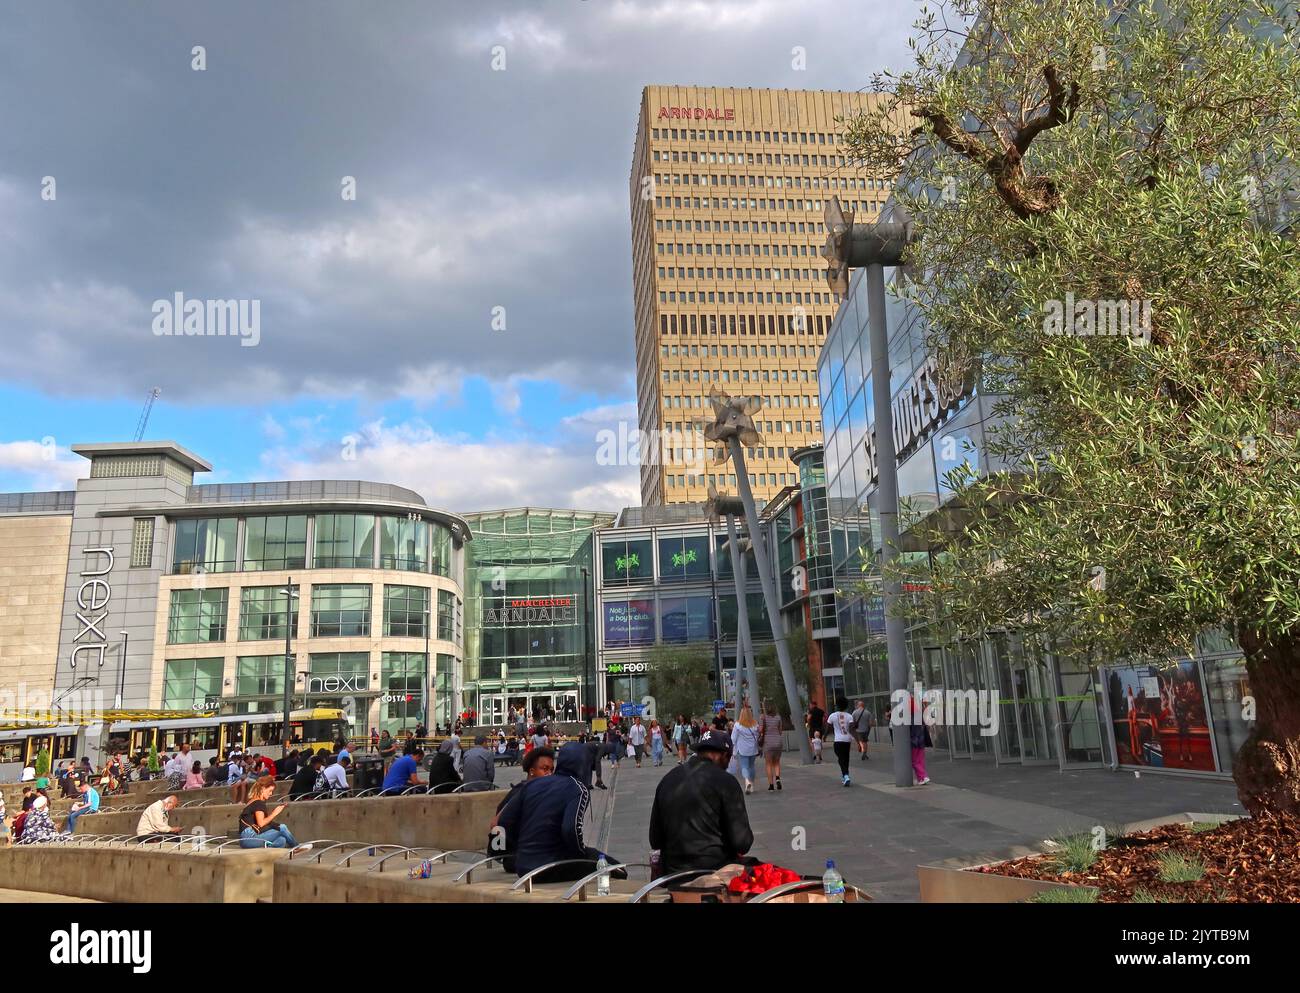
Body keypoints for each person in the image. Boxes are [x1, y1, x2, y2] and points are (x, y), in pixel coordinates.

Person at [495, 744, 620, 883]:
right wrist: (579, 854)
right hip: (550, 866)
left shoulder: (531, 785)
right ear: (583, 764)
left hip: (522, 866)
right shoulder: (577, 788)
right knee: (616, 869)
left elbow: (503, 821)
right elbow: (570, 830)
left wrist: (521, 850)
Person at [648, 730, 754, 876]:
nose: (728, 764)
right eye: (729, 758)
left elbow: (655, 840)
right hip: (714, 872)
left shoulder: (668, 779)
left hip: (673, 874)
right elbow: (742, 843)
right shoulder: (726, 781)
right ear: (723, 755)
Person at [238, 778, 309, 852]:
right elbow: (261, 823)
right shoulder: (258, 803)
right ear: (263, 789)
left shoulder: (252, 801)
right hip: (249, 838)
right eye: (270, 791)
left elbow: (268, 823)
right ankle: (296, 848)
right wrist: (275, 813)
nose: (271, 794)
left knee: (282, 840)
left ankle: (267, 847)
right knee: (283, 827)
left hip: (245, 840)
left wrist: (277, 826)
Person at [730, 706, 761, 794]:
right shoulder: (755, 724)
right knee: (751, 767)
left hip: (742, 749)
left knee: (744, 767)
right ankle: (751, 785)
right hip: (753, 749)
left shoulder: (737, 725)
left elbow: (733, 738)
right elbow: (758, 736)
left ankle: (747, 781)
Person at [825, 697, 855, 787]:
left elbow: (828, 728)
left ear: (837, 706)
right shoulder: (849, 716)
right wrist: (858, 741)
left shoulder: (832, 716)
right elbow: (852, 729)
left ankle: (845, 775)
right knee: (846, 758)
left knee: (840, 758)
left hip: (838, 741)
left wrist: (824, 736)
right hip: (847, 740)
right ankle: (845, 775)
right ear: (846, 706)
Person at [758, 701, 784, 790]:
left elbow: (761, 730)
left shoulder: (763, 718)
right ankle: (777, 778)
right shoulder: (778, 717)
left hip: (768, 743)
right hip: (778, 742)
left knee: (768, 764)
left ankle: (771, 785)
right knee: (776, 762)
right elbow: (780, 731)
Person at [910, 696, 932, 786]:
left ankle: (923, 776)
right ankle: (921, 778)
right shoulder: (919, 714)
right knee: (920, 760)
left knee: (914, 761)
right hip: (921, 741)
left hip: (914, 742)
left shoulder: (909, 717)